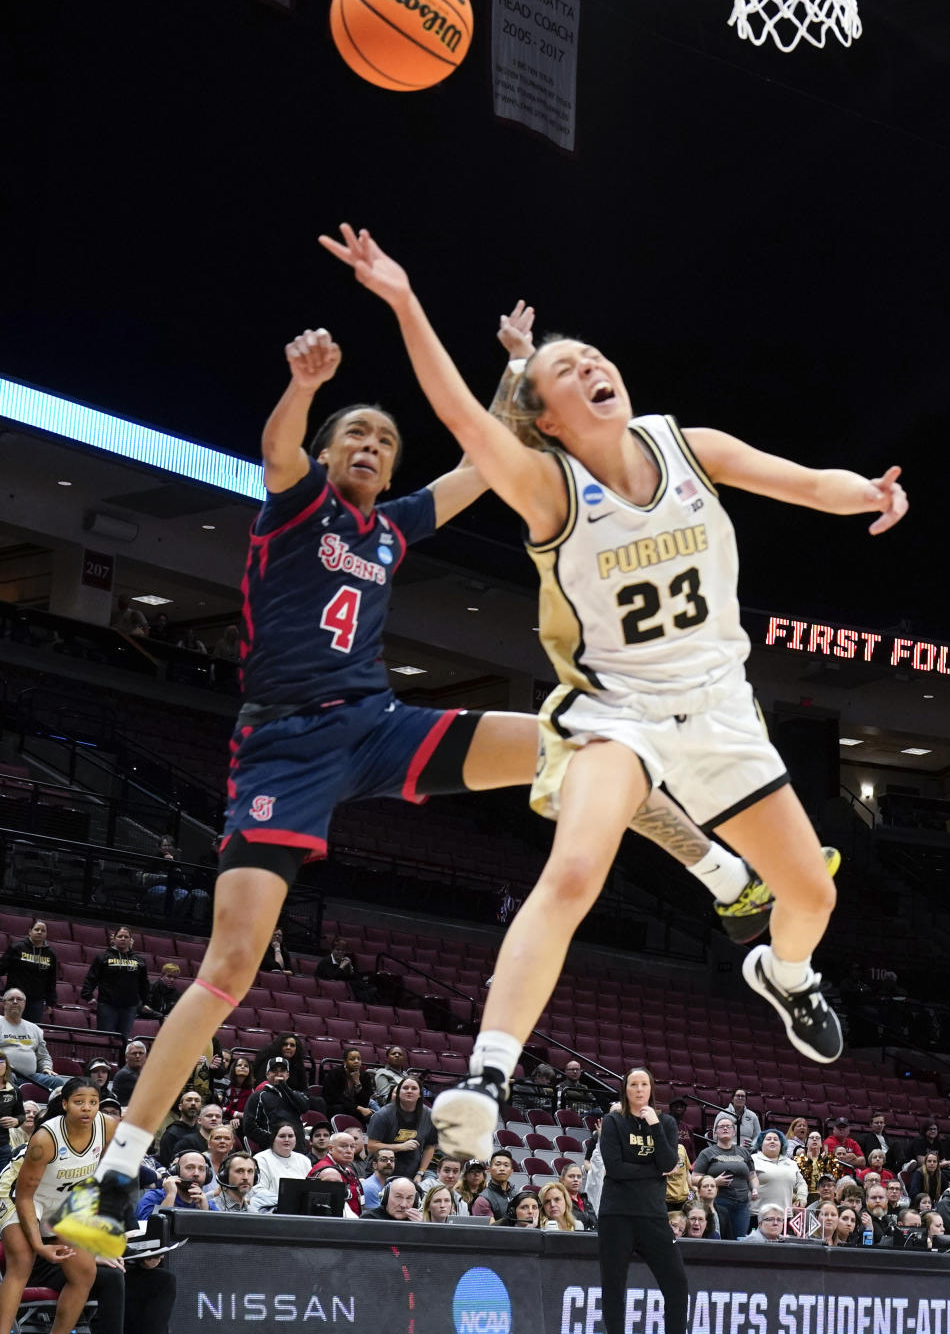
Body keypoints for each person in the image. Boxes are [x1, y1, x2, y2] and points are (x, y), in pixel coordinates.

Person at [52, 315, 780, 1255]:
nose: (369, 446)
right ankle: (119, 1177)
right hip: (285, 747)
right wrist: (306, 387)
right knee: (230, 966)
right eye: (354, 434)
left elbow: (487, 456)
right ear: (326, 455)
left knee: (585, 735)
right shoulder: (294, 506)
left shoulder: (393, 529)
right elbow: (277, 447)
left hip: (379, 725)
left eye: (385, 441)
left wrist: (522, 366)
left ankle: (721, 873)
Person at [318, 229, 901, 1156]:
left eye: (594, 355)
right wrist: (402, 300)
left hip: (719, 709)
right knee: (577, 869)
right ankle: (486, 1076)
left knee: (812, 902)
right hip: (617, 712)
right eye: (566, 369)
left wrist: (865, 492)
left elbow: (800, 481)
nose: (592, 365)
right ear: (546, 416)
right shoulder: (552, 492)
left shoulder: (688, 446)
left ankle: (786, 977)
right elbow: (470, 422)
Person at [0, 1077, 120, 1334]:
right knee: (22, 1259)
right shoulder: (45, 1140)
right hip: (17, 1194)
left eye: (93, 1102)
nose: (87, 1108)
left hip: (60, 1197)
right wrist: (39, 1245)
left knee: (84, 1272)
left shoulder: (108, 1126)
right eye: (79, 1102)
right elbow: (24, 1197)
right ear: (65, 1104)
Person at [593, 1068, 686, 1334]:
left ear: (651, 1088)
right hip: (617, 1214)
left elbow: (670, 1162)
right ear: (625, 1089)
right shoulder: (613, 1121)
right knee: (614, 1287)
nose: (639, 1089)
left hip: (654, 1215)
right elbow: (615, 1167)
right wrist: (655, 1170)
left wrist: (654, 1126)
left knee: (677, 1285)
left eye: (644, 1084)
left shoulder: (666, 1123)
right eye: (633, 1084)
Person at [692, 1114, 759, 1240]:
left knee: (739, 1241)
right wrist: (714, 1182)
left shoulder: (743, 1152)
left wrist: (754, 1189)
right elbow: (694, 1179)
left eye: (729, 1126)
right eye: (721, 1127)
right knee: (718, 1240)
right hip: (718, 1203)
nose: (725, 1129)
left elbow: (753, 1177)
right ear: (715, 1132)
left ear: (734, 1132)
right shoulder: (707, 1153)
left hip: (741, 1205)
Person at [80, 928, 150, 1044]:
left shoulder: (139, 960)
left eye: (126, 937)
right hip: (107, 1005)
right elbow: (91, 978)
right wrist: (88, 996)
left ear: (131, 940)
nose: (123, 939)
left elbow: (144, 983)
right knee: (104, 1038)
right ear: (114, 939)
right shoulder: (103, 957)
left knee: (123, 1040)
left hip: (129, 1006)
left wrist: (146, 1002)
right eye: (120, 936)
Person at [366, 1074, 436, 1183]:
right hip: (381, 1173)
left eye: (414, 1088)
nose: (409, 1091)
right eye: (405, 1088)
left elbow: (429, 1147)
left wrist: (420, 1173)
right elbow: (371, 1146)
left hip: (412, 1172)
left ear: (420, 1094)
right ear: (398, 1093)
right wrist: (400, 1147)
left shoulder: (429, 1115)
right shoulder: (383, 1115)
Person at [0, 990, 65, 1094]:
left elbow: (43, 1056)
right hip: (6, 1074)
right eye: (11, 999)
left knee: (57, 1081)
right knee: (7, 1078)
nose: (15, 1002)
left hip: (31, 1077)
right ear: (4, 1003)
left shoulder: (34, 1029)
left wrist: (46, 1068)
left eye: (19, 999)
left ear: (24, 1004)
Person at [242, 1057, 309, 1152]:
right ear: (267, 1074)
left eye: (282, 1071)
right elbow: (249, 1127)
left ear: (288, 1075)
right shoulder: (257, 1096)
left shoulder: (295, 1095)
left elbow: (304, 1107)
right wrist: (274, 1140)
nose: (278, 1074)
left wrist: (283, 1086)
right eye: (274, 1070)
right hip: (271, 1152)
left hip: (298, 1152)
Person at [0, 920, 58, 1024]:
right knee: (10, 1030)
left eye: (43, 930)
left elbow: (51, 980)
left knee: (30, 1035)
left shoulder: (50, 954)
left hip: (36, 1002)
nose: (40, 932)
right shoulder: (16, 948)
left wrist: (51, 1002)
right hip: (15, 999)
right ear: (30, 931)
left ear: (46, 934)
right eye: (37, 929)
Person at [136, 1149, 220, 1217]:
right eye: (189, 1168)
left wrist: (205, 1211)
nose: (196, 1174)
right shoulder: (153, 1198)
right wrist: (170, 1196)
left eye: (201, 1169)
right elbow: (149, 1232)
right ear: (175, 1171)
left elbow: (219, 1235)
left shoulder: (208, 1204)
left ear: (208, 1175)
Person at [752, 1127, 807, 1216]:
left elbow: (801, 1183)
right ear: (760, 1144)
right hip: (758, 1214)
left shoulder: (791, 1163)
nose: (772, 1141)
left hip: (785, 1215)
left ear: (782, 1144)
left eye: (776, 1139)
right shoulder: (752, 1160)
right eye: (768, 1139)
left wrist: (801, 1197)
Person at [253, 1122, 312, 1202]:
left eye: (290, 1136)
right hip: (271, 1209)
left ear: (295, 1140)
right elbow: (257, 1190)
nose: (287, 1140)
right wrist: (284, 1201)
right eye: (282, 1136)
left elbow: (310, 1190)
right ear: (273, 1139)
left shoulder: (304, 1160)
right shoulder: (261, 1159)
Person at [309, 1131, 364, 1216]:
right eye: (343, 1146)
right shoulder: (330, 1173)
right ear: (331, 1149)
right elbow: (332, 1211)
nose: (349, 1151)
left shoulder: (348, 1169)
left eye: (352, 1146)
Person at [323, 1047, 375, 1123]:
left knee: (369, 1115)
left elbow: (364, 1102)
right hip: (337, 1107)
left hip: (355, 1108)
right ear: (345, 1062)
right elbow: (334, 1098)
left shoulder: (365, 1076)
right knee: (339, 1108)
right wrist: (358, 1107)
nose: (356, 1061)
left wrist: (357, 1083)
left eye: (359, 1059)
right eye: (352, 1059)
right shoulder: (335, 1073)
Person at [157, 1090, 203, 1166]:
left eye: (197, 1101)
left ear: (201, 1107)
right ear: (180, 1107)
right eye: (189, 1100)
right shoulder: (171, 1133)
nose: (193, 1103)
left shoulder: (201, 1131)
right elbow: (165, 1163)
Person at [471, 1150, 517, 1220]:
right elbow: (490, 1229)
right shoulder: (482, 1200)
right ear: (489, 1170)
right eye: (498, 1164)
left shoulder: (517, 1195)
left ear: (511, 1172)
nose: (502, 1169)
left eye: (506, 1165)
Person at [794, 1129, 841, 1196]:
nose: (814, 1139)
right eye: (812, 1138)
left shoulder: (829, 1160)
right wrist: (808, 1162)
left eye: (817, 1138)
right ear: (807, 1143)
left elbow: (834, 1179)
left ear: (821, 1144)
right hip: (805, 1194)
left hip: (824, 1194)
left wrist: (825, 1161)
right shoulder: (799, 1160)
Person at [0, 1056, 23, 1174]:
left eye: (1, 1061)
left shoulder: (14, 1090)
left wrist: (16, 1121)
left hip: (2, 1147)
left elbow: (21, 1115)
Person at [561, 1161, 598, 1230]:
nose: (576, 1179)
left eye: (579, 1177)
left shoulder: (586, 1201)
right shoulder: (559, 1200)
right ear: (562, 1179)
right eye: (571, 1176)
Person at [222, 1053, 255, 1128]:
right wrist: (236, 1114)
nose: (243, 1067)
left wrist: (237, 1118)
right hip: (222, 1119)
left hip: (241, 1122)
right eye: (239, 1065)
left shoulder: (251, 1090)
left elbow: (250, 1113)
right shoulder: (225, 1084)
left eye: (246, 1066)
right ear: (233, 1068)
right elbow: (219, 1107)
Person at [693, 1173, 730, 1238]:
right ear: (698, 1191)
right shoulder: (693, 1210)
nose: (709, 1189)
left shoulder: (724, 1211)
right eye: (705, 1186)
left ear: (717, 1190)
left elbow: (729, 1237)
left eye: (712, 1186)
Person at [112, 1041, 147, 1106]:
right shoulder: (125, 1074)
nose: (137, 1056)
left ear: (145, 1057)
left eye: (141, 1053)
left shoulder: (143, 1072)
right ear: (126, 1058)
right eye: (134, 1053)